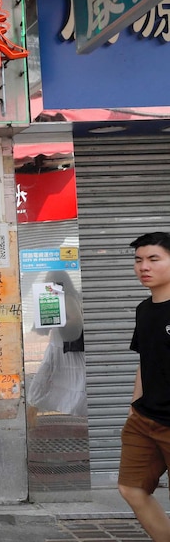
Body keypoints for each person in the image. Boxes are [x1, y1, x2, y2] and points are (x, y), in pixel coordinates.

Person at [118, 231, 170, 541]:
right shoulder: (144, 309)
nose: (143, 267)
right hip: (144, 418)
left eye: (153, 259)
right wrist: (133, 404)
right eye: (138, 260)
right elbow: (146, 361)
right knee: (131, 488)